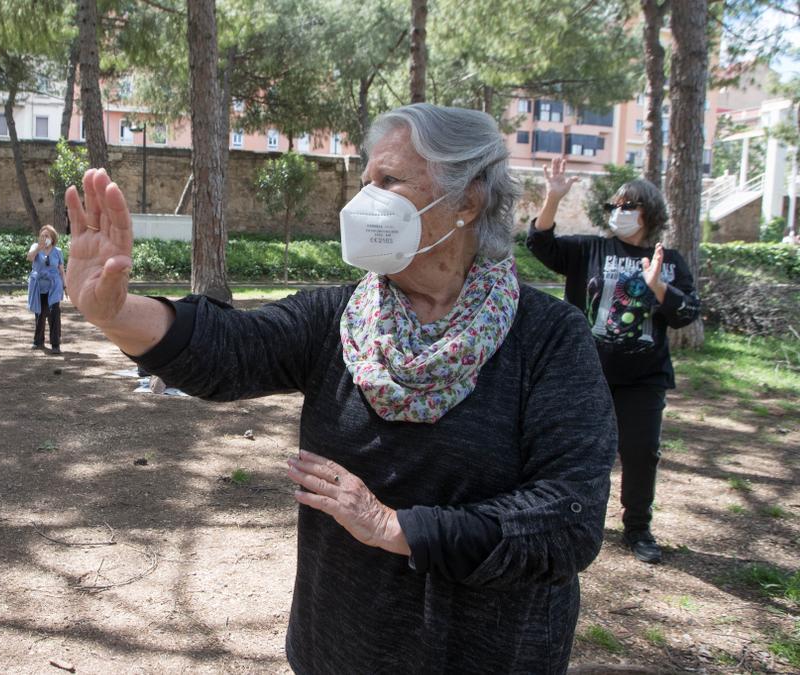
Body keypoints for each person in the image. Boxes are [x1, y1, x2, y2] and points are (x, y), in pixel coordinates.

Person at [64, 104, 618, 673]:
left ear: (467, 202)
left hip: (487, 654)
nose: (361, 203)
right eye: (363, 183)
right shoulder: (341, 318)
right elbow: (233, 348)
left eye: (389, 181)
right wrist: (118, 313)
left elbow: (567, 519)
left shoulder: (548, 336)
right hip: (340, 648)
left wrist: (395, 526)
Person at [527, 157, 701, 565]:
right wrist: (553, 198)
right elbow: (540, 244)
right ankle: (567, 516)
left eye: (628, 207)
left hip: (643, 379)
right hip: (584, 374)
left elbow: (687, 313)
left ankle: (638, 527)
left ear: (649, 214)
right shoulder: (590, 248)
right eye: (615, 207)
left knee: (641, 452)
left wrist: (658, 286)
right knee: (571, 451)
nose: (619, 214)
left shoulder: (669, 260)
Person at [26, 224, 65, 354]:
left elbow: (61, 270)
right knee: (40, 314)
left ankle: (55, 344)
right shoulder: (35, 247)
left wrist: (65, 286)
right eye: (42, 236)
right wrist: (38, 248)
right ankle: (38, 341)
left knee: (54, 313)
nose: (44, 238)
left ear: (52, 238)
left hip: (54, 286)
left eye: (47, 236)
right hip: (38, 286)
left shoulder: (58, 251)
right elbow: (29, 258)